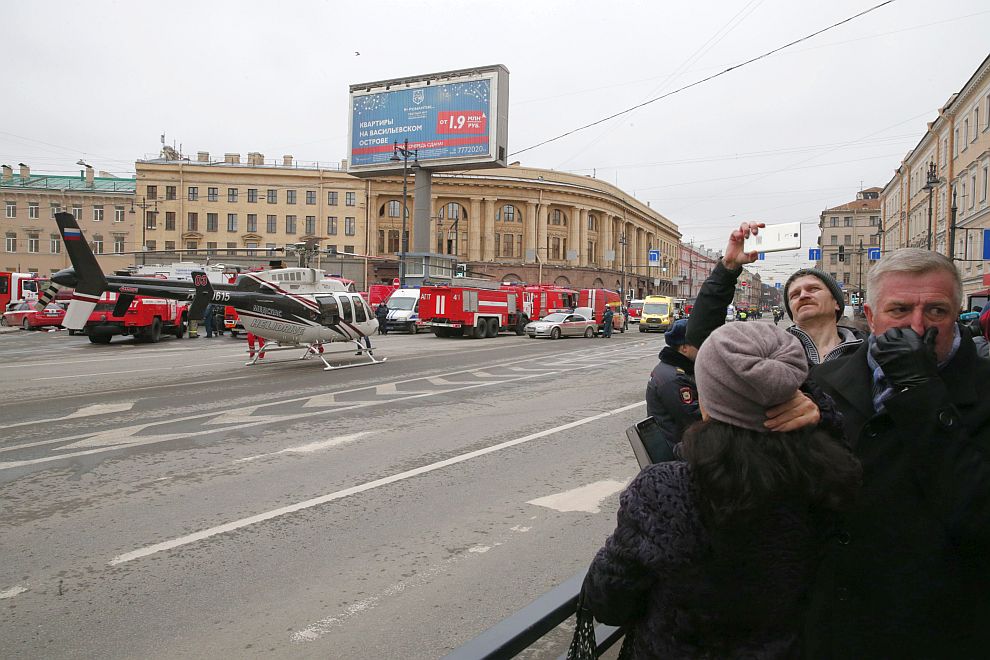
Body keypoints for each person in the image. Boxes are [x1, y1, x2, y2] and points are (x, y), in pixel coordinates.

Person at [583, 322, 862, 658]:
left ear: (709, 402)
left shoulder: (667, 490)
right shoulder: (828, 474)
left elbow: (608, 602)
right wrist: (823, 413)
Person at [805, 248, 990, 658]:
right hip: (835, 622)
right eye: (899, 310)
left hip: (940, 627)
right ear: (870, 318)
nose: (918, 325)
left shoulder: (983, 387)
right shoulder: (825, 380)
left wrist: (922, 394)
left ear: (957, 314)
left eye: (937, 311)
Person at [687, 221, 864, 364]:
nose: (803, 295)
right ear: (792, 312)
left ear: (837, 302)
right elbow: (702, 338)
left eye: (814, 289)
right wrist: (728, 267)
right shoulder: (770, 351)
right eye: (795, 295)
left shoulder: (867, 353)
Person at [644, 319, 699, 451]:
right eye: (699, 344)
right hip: (677, 451)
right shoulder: (674, 379)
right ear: (684, 348)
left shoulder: (679, 369)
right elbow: (694, 417)